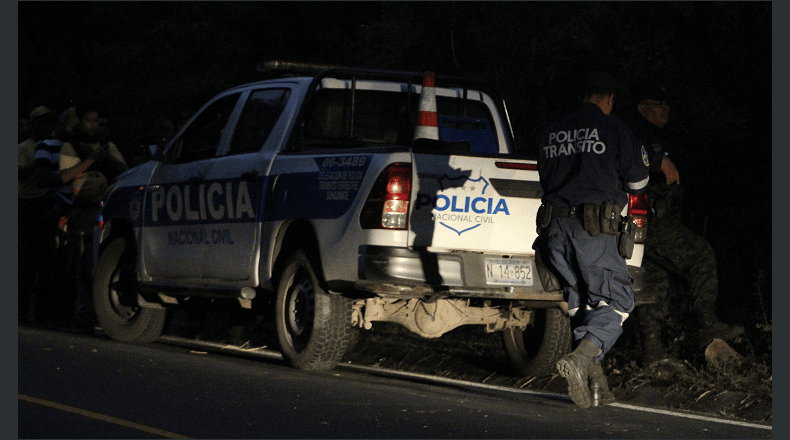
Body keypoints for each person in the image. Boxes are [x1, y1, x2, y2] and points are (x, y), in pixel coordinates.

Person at [535, 71, 649, 408]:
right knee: (618, 302)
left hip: (553, 234)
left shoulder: (551, 131)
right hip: (593, 232)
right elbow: (639, 183)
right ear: (609, 100)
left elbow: (546, 177)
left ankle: (596, 386)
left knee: (582, 305)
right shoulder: (615, 129)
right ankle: (580, 360)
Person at [625, 79, 744, 367]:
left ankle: (652, 353)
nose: (665, 110)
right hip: (651, 222)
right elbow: (633, 154)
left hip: (648, 225)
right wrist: (656, 160)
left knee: (655, 283)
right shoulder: (635, 132)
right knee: (700, 255)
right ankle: (706, 323)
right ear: (643, 109)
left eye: (666, 105)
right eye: (658, 105)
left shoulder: (659, 134)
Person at [58, 103, 128, 333]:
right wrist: (90, 160)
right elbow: (66, 176)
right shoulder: (72, 146)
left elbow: (124, 173)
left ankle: (98, 313)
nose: (93, 125)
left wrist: (108, 158)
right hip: (83, 211)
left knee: (101, 265)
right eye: (89, 121)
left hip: (105, 211)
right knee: (81, 264)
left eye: (97, 121)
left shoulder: (109, 147)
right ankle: (80, 315)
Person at [18, 105, 60, 322]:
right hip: (28, 205)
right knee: (29, 260)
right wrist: (39, 165)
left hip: (48, 203)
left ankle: (43, 311)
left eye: (49, 121)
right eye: (42, 121)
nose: (47, 126)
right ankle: (22, 307)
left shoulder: (52, 146)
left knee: (47, 260)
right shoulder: (25, 147)